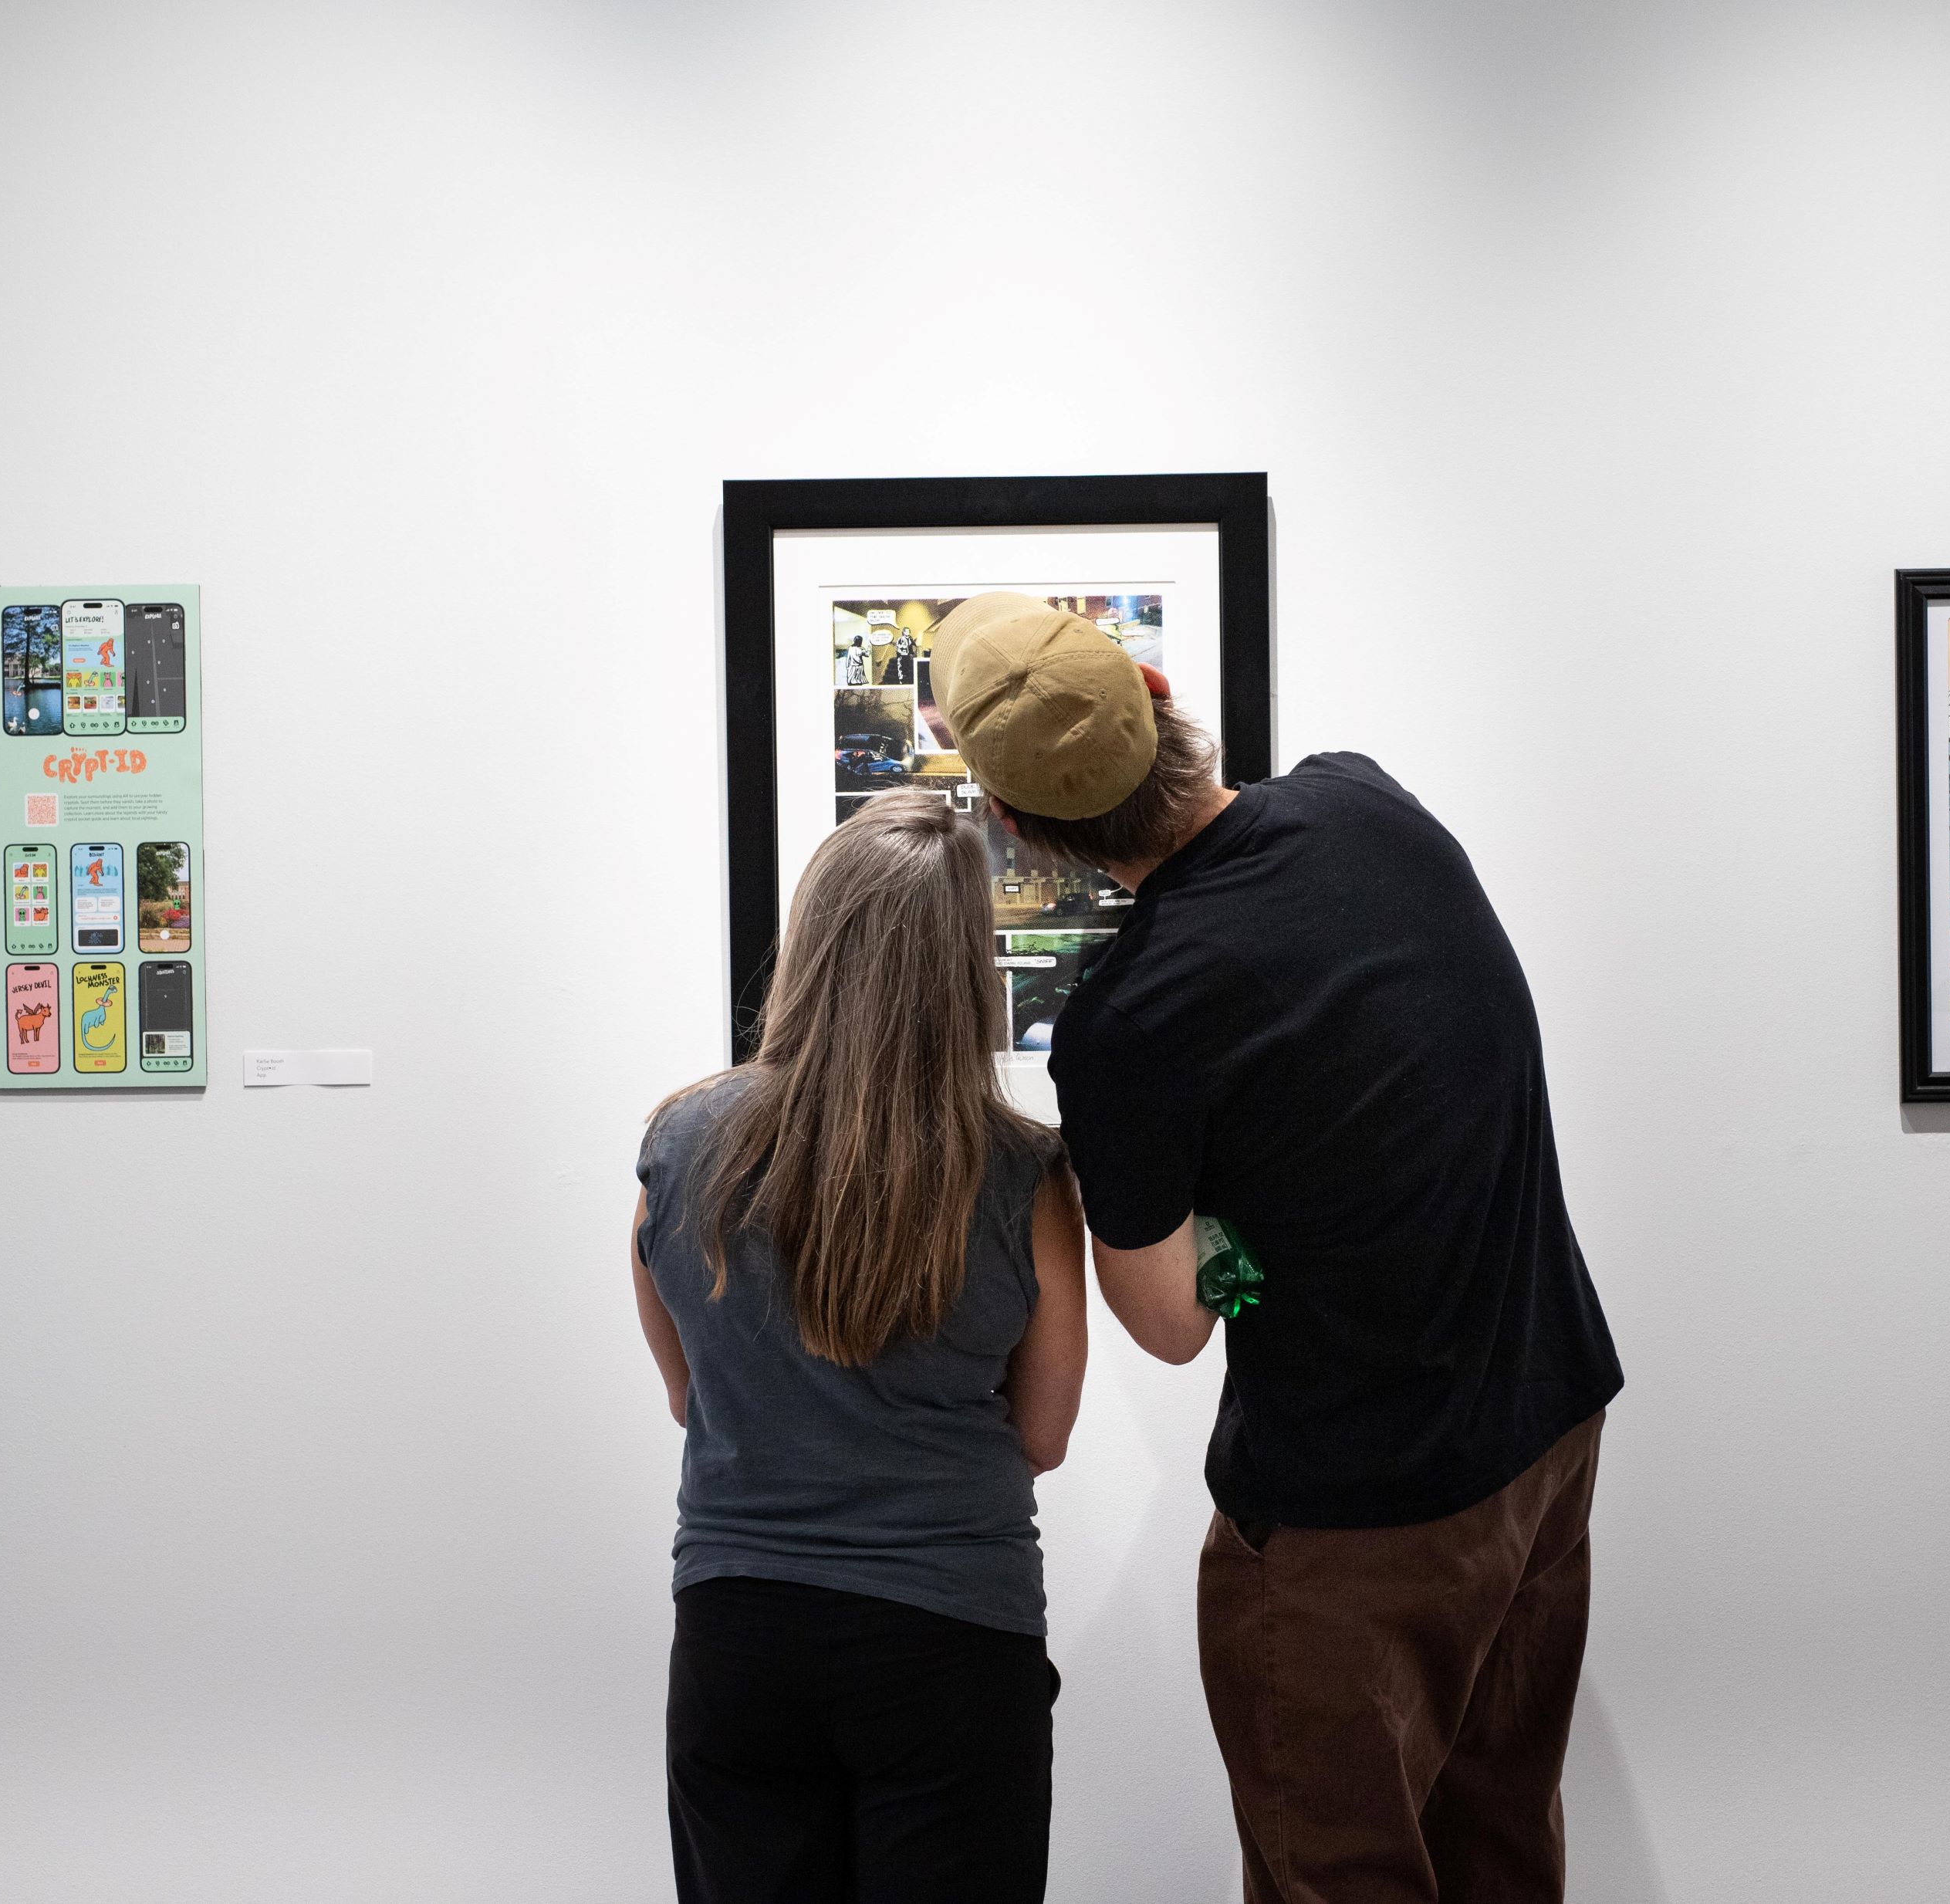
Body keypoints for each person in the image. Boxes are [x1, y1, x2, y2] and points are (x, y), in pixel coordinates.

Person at [930, 592, 1625, 1902]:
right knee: (1503, 1851)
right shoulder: (1365, 802)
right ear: (1157, 694)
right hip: (1546, 1432)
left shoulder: (1132, 1021)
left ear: (1016, 823)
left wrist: (1242, 1224)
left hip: (1359, 1512)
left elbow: (1171, 1320)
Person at [630, 790, 1088, 1904]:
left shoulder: (680, 1142)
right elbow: (1042, 1434)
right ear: (966, 968)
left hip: (739, 1634)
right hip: (949, 1636)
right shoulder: (1024, 1175)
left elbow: (691, 1395)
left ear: (811, 939)